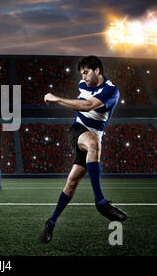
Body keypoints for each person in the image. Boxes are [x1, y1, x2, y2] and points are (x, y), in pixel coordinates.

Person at [40, 55, 127, 244]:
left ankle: (51, 223)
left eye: (86, 72)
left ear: (97, 71)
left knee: (71, 183)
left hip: (94, 133)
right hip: (78, 131)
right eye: (81, 73)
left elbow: (87, 106)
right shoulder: (83, 84)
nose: (84, 77)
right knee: (94, 144)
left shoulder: (111, 90)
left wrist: (56, 98)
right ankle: (101, 203)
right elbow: (81, 107)